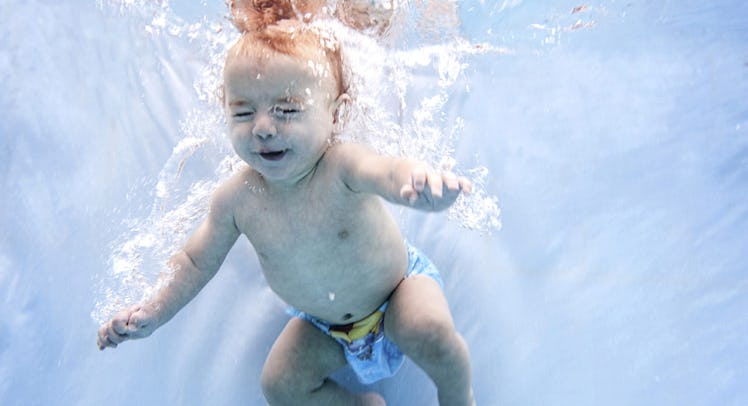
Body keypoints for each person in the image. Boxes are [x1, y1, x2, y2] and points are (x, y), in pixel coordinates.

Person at [97, 1, 474, 404]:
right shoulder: (237, 199)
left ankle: (458, 398)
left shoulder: (341, 164)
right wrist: (154, 313)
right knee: (279, 385)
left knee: (429, 330)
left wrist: (419, 189)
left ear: (335, 114)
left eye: (287, 110)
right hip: (322, 327)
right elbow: (193, 262)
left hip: (397, 293)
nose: (262, 128)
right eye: (242, 113)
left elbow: (388, 172)